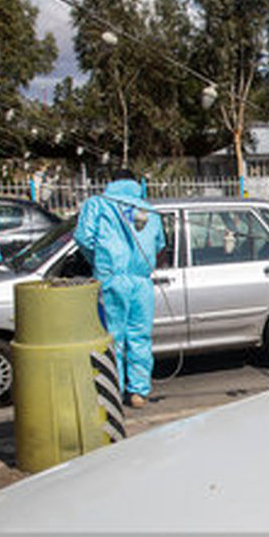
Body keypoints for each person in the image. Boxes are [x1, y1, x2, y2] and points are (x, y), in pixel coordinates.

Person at [74, 172, 165, 409]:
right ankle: (138, 392)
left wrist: (99, 261)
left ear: (111, 181)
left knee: (113, 337)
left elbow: (83, 238)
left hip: (111, 279)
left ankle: (113, 389)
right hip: (142, 281)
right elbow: (159, 244)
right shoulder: (149, 210)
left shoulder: (98, 204)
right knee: (140, 336)